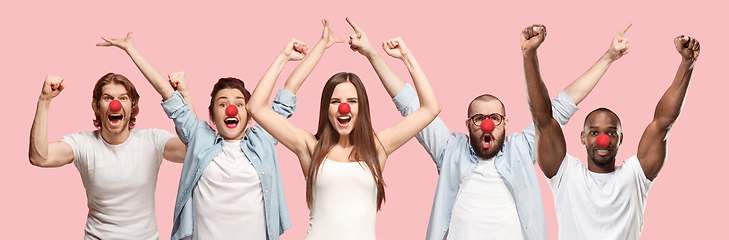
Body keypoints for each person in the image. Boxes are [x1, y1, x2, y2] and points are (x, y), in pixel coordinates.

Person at [374, 23, 632, 240]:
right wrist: (373, 55)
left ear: (505, 124)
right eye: (479, 118)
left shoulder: (522, 148)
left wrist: (608, 57)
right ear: (468, 125)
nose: (487, 124)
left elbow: (562, 105)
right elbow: (410, 104)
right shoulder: (448, 148)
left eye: (495, 118)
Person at [97, 30, 308, 239]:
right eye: (222, 103)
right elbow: (167, 93)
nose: (231, 109)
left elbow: (289, 92)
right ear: (212, 115)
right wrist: (131, 49)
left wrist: (286, 56)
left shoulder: (262, 139)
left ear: (249, 111)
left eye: (238, 104)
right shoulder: (200, 138)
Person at [246, 18, 441, 240]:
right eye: (335, 101)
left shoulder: (377, 147)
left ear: (362, 108)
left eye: (351, 101)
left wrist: (393, 56)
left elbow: (430, 109)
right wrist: (283, 58)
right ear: (326, 108)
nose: (343, 107)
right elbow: (256, 107)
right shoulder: (310, 146)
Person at [532, 24, 700, 239]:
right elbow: (542, 120)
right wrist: (529, 54)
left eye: (611, 133)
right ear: (582, 137)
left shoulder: (635, 176)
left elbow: (663, 122)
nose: (603, 139)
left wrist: (688, 63)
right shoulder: (566, 175)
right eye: (594, 132)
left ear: (621, 139)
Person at [28, 72, 187, 239]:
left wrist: (185, 97)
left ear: (133, 106)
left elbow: (191, 151)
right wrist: (44, 100)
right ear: (97, 107)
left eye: (123, 98)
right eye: (107, 98)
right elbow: (40, 157)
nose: (115, 104)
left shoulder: (152, 140)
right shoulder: (83, 144)